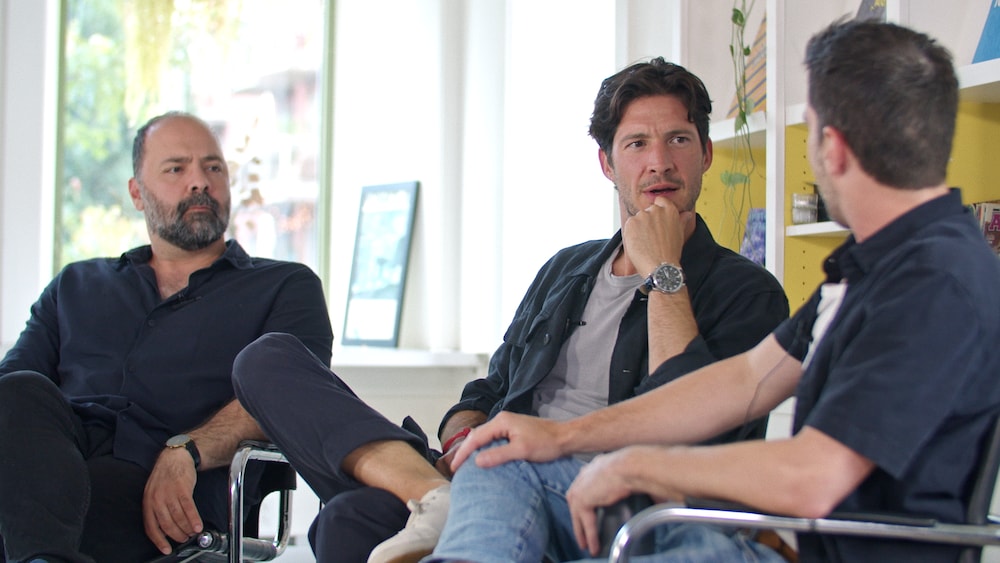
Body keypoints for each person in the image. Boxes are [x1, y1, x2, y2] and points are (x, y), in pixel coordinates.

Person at [437, 19, 1000, 563]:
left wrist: (634, 466)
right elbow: (746, 380)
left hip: (805, 541)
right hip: (763, 534)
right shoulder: (874, 270)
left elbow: (814, 477)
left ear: (831, 147)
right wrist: (563, 439)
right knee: (509, 470)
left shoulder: (931, 282)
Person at [232, 56, 788, 563]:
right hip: (494, 470)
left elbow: (690, 433)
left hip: (608, 498)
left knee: (357, 519)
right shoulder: (565, 269)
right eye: (637, 144)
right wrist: (461, 439)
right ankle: (431, 494)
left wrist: (665, 268)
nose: (659, 163)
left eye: (679, 140)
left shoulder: (747, 291)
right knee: (273, 369)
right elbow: (490, 389)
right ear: (606, 163)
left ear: (707, 154)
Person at [0, 112, 334, 563]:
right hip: (60, 469)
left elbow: (292, 395)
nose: (199, 182)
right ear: (137, 192)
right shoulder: (75, 285)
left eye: (213, 167)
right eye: (176, 168)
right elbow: (14, 396)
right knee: (18, 395)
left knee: (55, 501)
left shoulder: (284, 287)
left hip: (180, 493)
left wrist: (186, 450)